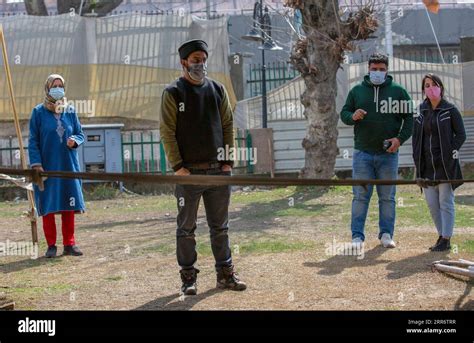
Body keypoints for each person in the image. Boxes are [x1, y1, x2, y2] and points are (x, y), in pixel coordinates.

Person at [160, 39, 246, 295]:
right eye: (195, 59)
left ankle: (225, 274)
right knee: (186, 228)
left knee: (220, 226)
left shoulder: (217, 89)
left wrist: (228, 161)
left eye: (203, 59)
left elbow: (228, 126)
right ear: (184, 62)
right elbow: (167, 131)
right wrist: (177, 166)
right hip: (188, 173)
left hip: (218, 171)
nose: (200, 64)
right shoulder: (173, 92)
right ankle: (188, 278)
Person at [340, 53, 413, 248]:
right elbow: (344, 114)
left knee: (387, 197)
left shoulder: (398, 92)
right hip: (362, 153)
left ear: (387, 70)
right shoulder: (357, 91)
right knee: (360, 196)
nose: (377, 72)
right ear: (368, 69)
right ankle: (357, 237)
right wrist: (352, 116)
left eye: (381, 69)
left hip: (388, 155)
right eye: (374, 69)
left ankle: (386, 234)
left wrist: (399, 139)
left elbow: (410, 119)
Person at [28, 74, 85, 258]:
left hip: (68, 165)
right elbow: (33, 141)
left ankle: (69, 244)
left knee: (69, 204)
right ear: (47, 88)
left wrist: (74, 140)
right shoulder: (38, 112)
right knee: (49, 205)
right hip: (47, 167)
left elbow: (80, 133)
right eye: (54, 85)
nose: (58, 88)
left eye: (60, 85)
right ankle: (51, 245)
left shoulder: (70, 111)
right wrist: (37, 165)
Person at [412, 74, 466, 252]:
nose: (431, 88)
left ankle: (446, 238)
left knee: (446, 202)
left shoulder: (450, 110)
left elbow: (461, 135)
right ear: (424, 90)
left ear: (441, 87)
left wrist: (452, 151)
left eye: (434, 85)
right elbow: (416, 138)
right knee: (432, 204)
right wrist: (416, 162)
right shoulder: (420, 110)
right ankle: (442, 236)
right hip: (426, 166)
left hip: (445, 166)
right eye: (427, 86)